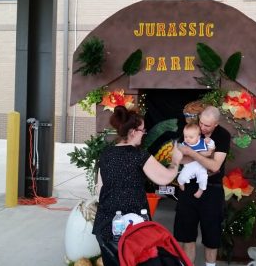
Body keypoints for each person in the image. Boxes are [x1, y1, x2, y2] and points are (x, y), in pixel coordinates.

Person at [92, 106, 183, 258]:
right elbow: (165, 178)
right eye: (143, 130)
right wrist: (175, 161)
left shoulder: (106, 154)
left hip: (106, 223)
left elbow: (99, 188)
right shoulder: (139, 155)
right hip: (132, 226)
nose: (144, 134)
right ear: (133, 132)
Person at [174, 106, 231, 266]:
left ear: (216, 124)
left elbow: (215, 167)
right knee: (187, 235)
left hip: (212, 189)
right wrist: (205, 158)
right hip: (189, 188)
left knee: (212, 236)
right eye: (201, 123)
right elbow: (179, 159)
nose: (203, 128)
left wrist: (192, 153)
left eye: (207, 125)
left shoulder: (223, 135)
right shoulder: (192, 129)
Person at [178, 123, 215, 198]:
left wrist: (210, 141)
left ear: (198, 137)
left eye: (191, 137)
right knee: (183, 176)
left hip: (201, 166)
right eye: (185, 137)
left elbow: (212, 147)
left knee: (203, 178)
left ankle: (201, 190)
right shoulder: (184, 144)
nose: (187, 139)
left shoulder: (203, 142)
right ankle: (180, 183)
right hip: (189, 165)